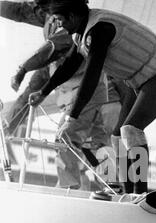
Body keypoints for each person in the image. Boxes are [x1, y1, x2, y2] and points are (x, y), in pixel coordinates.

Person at [29, 0, 156, 194]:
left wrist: (72, 118)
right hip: (140, 82)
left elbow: (91, 77)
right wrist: (43, 92)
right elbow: (70, 65)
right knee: (118, 136)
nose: (58, 25)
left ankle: (141, 194)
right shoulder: (82, 33)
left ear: (73, 17)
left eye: (59, 20)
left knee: (131, 130)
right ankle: (128, 194)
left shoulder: (99, 30)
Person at [0, 0, 121, 189]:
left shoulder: (71, 25)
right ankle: (111, 187)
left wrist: (23, 69)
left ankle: (69, 189)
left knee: (66, 137)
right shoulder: (53, 15)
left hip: (85, 93)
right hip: (78, 94)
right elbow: (20, 12)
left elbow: (52, 50)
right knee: (94, 145)